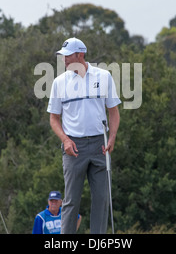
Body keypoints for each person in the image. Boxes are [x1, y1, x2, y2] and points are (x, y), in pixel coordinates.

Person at [47, 37, 121, 234]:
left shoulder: (103, 76)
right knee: (71, 201)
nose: (64, 61)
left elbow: (113, 111)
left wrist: (112, 136)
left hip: (100, 144)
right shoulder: (58, 82)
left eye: (68, 56)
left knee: (101, 199)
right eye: (63, 57)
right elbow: (54, 118)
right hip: (73, 147)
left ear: (80, 55)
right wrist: (65, 140)